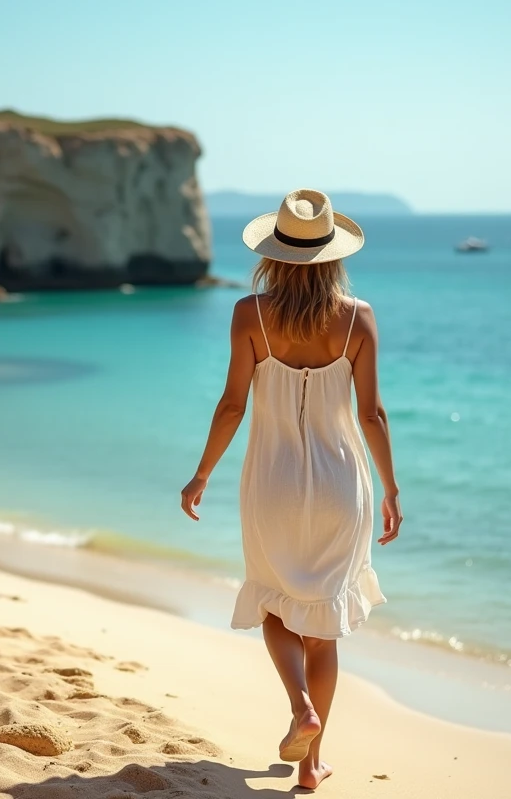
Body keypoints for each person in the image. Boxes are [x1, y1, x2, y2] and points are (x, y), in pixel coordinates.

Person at [181, 189, 402, 790]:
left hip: (271, 484)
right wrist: (390, 488)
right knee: (323, 625)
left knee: (276, 600)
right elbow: (372, 415)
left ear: (275, 254)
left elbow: (231, 405)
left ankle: (299, 706)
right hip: (341, 487)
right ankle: (310, 765)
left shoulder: (249, 315)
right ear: (333, 255)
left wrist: (202, 473)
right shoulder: (359, 317)